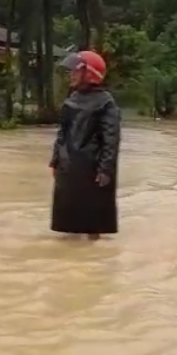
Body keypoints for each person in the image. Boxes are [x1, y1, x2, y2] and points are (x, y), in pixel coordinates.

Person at [50, 50, 120, 240]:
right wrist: (55, 160)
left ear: (89, 73)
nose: (71, 74)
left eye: (76, 70)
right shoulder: (70, 101)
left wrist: (105, 169)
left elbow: (111, 139)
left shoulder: (106, 102)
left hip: (92, 170)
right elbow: (62, 133)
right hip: (69, 167)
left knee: (93, 223)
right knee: (69, 224)